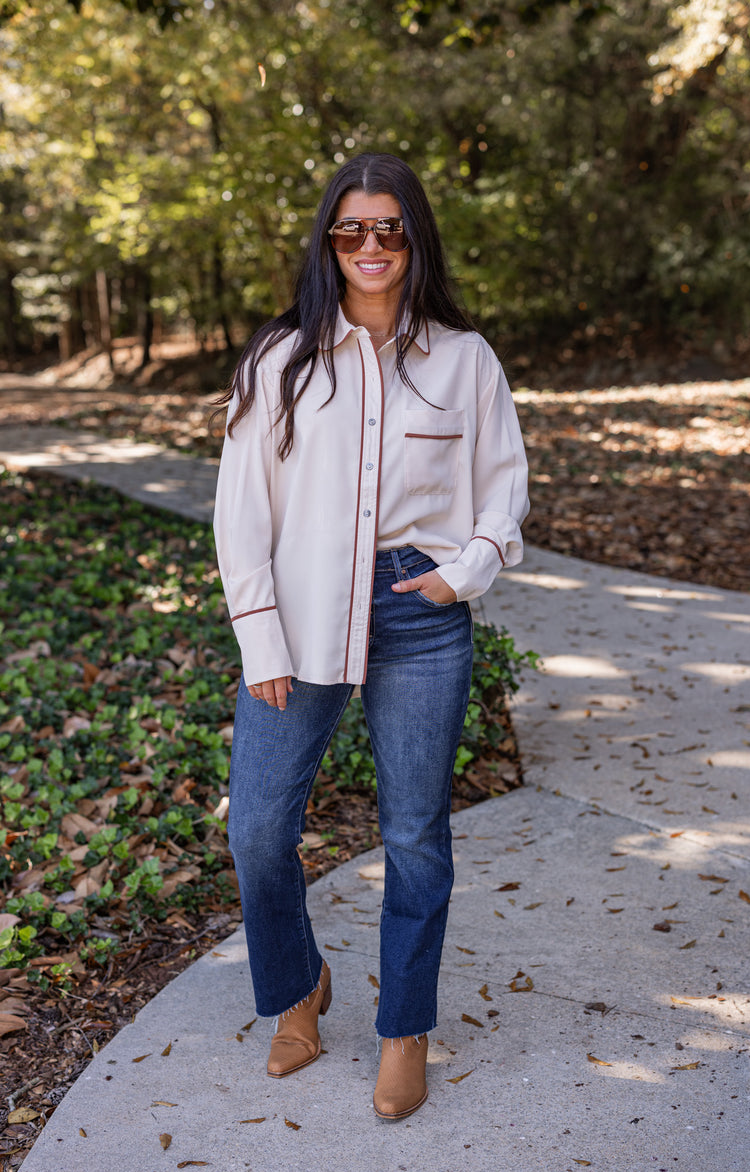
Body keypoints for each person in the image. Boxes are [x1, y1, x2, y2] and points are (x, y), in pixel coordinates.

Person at [213, 152, 529, 1119]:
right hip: (303, 615)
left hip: (419, 613)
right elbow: (241, 511)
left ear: (414, 238)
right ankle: (300, 984)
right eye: (351, 230)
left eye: (389, 228)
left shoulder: (464, 359)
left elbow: (504, 489)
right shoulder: (279, 361)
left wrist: (463, 572)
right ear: (328, 242)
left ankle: (405, 1028)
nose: (371, 246)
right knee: (258, 826)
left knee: (415, 836)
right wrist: (260, 636)